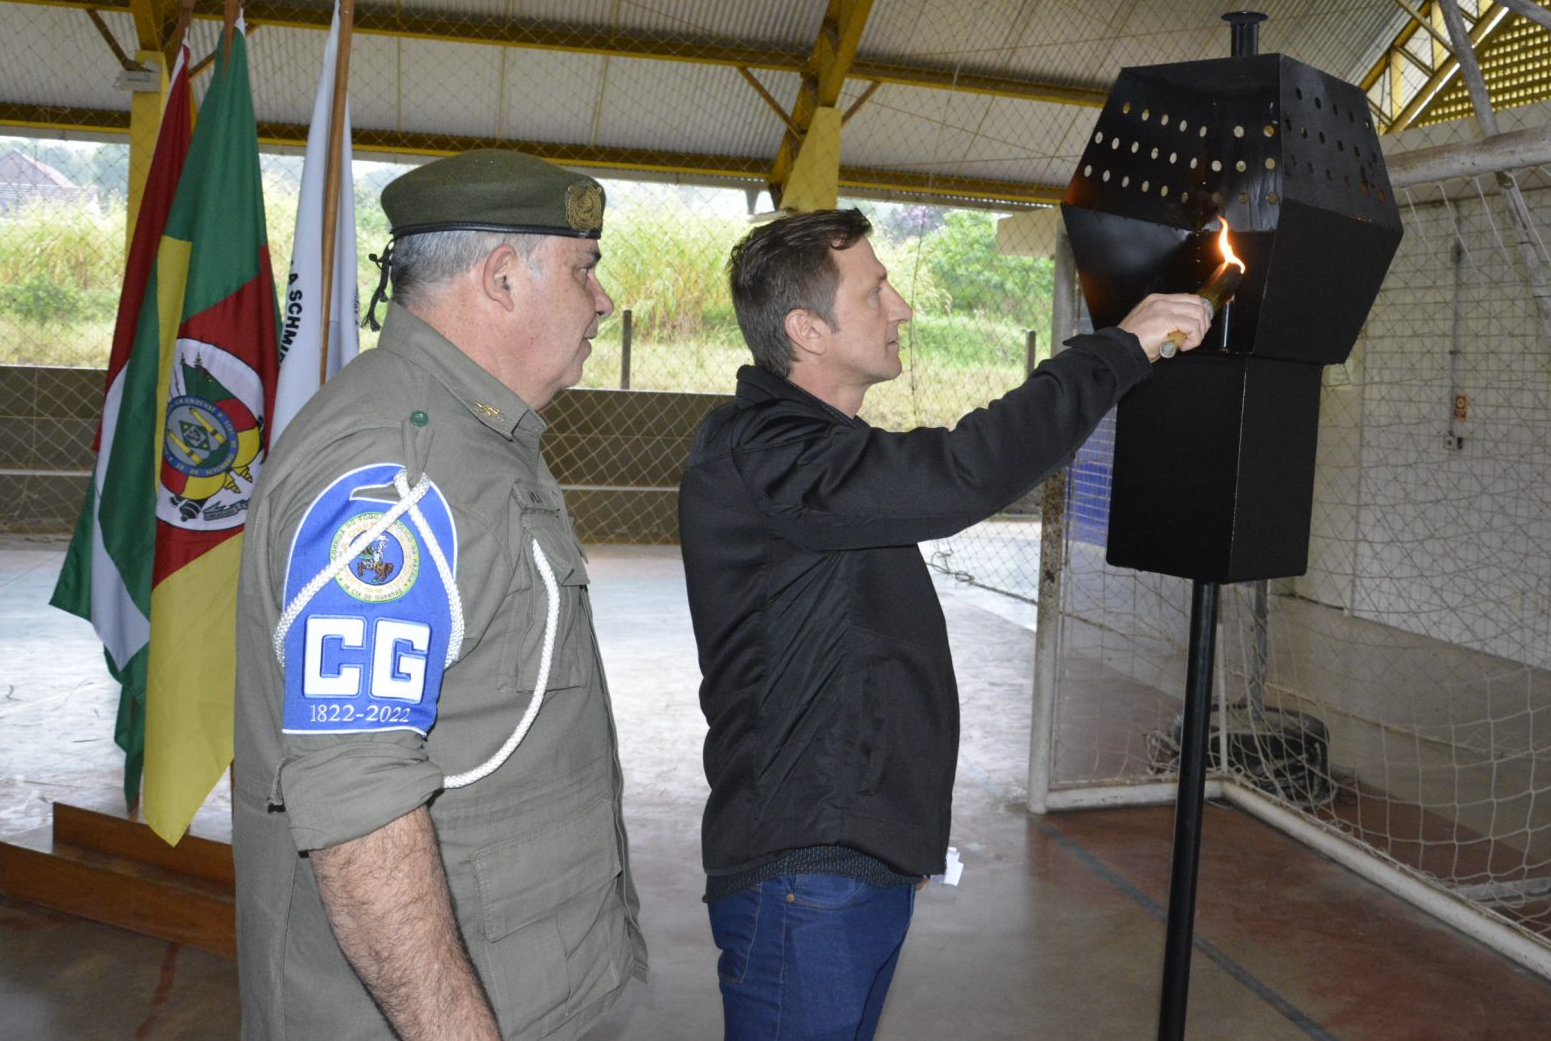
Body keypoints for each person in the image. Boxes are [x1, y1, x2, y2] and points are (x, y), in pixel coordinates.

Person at [679, 207, 1211, 1040]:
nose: (903, 308)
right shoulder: (767, 451)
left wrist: (901, 832)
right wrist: (1116, 350)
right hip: (803, 870)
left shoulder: (817, 454)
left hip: (853, 858)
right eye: (875, 291)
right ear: (807, 329)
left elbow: (866, 655)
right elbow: (962, 471)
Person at [233, 149, 646, 1041]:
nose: (603, 300)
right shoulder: (395, 471)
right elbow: (359, 806)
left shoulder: (476, 433)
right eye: (585, 269)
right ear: (502, 278)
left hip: (528, 986)